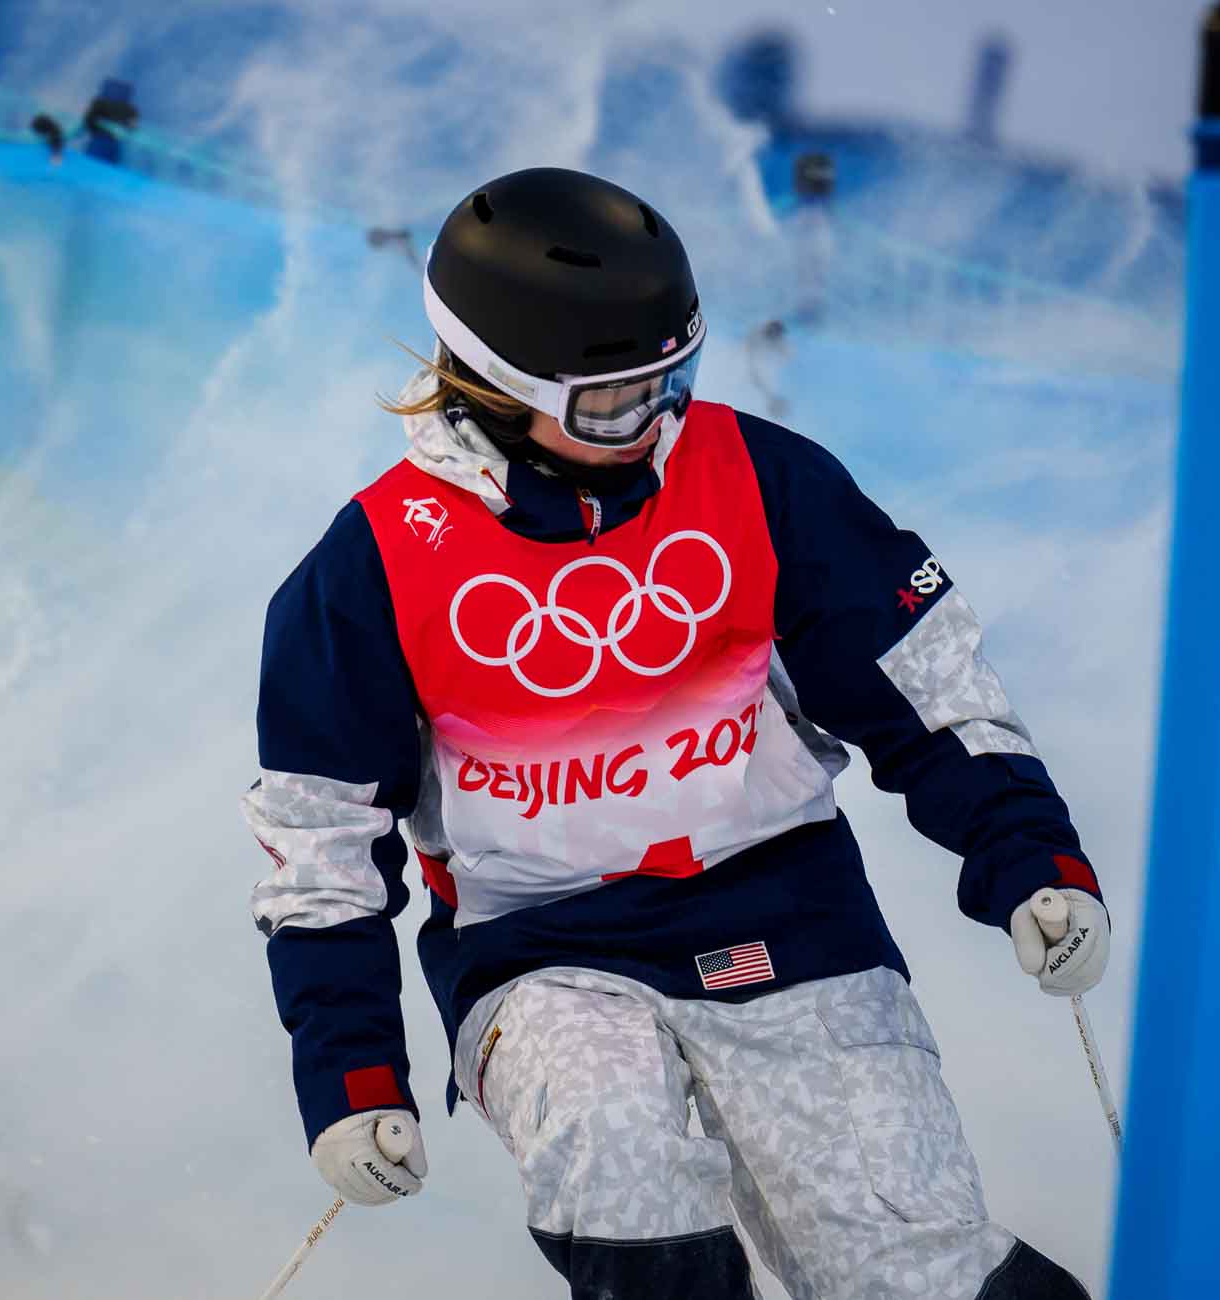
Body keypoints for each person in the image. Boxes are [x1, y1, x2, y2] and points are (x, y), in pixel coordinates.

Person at [242, 167, 1107, 1299]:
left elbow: (922, 680)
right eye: (609, 401)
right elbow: (321, 849)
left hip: (789, 913)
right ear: (503, 385)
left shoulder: (756, 478)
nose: (650, 419)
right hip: (541, 950)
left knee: (901, 1252)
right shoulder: (372, 569)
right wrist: (352, 1074)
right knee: (616, 1153)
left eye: (671, 380)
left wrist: (1028, 851)